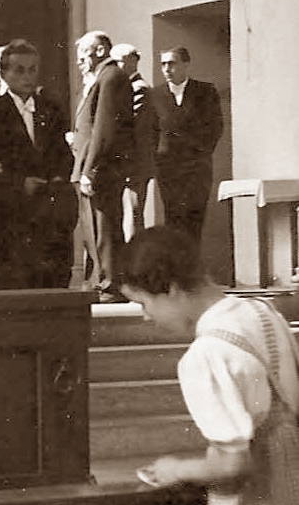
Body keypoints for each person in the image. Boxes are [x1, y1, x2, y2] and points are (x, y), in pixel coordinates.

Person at [123, 226, 299, 505]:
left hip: (257, 501)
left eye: (143, 303)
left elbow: (233, 464)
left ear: (170, 288)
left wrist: (175, 470)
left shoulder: (204, 355)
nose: (145, 317)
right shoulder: (262, 311)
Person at [0, 39, 76, 289]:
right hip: (10, 221)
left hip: (49, 217)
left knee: (51, 286)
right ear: (3, 73)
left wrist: (59, 178)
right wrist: (19, 184)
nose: (27, 77)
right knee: (13, 290)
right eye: (19, 70)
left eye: (32, 70)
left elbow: (63, 154)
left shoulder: (51, 109)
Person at [71, 30, 135, 302]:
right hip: (93, 164)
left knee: (105, 226)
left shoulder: (111, 77)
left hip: (101, 168)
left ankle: (110, 284)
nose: (79, 61)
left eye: (83, 54)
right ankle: (104, 280)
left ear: (99, 51)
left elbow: (105, 128)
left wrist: (90, 169)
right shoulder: (103, 77)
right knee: (97, 228)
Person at [151, 46, 223, 241]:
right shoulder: (155, 95)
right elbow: (150, 132)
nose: (166, 69)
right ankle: (176, 270)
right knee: (172, 221)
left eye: (172, 63)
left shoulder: (205, 92)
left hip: (196, 170)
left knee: (194, 222)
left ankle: (191, 269)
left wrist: (198, 155)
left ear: (185, 65)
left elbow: (215, 128)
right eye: (163, 64)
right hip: (168, 171)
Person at [110, 43, 156, 242]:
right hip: (125, 166)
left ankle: (135, 267)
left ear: (133, 61)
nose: (115, 67)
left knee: (132, 219)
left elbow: (135, 131)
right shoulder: (124, 89)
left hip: (132, 166)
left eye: (118, 61)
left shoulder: (139, 90)